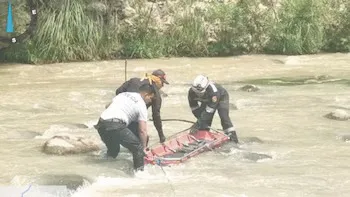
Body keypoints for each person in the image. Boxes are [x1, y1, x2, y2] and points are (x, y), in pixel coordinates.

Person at [95, 83, 156, 171]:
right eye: (151, 98)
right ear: (146, 95)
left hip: (101, 124)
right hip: (116, 125)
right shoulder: (141, 105)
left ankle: (102, 169)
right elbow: (142, 130)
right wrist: (143, 148)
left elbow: (107, 106)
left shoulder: (123, 94)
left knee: (113, 151)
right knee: (138, 149)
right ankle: (140, 175)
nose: (150, 101)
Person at [114, 69, 169, 143]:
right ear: (158, 79)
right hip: (131, 119)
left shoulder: (133, 80)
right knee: (143, 140)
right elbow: (156, 116)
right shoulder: (155, 94)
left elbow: (118, 91)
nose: (162, 86)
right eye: (162, 83)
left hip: (115, 115)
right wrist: (161, 136)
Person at [187, 75, 239, 143]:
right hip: (207, 101)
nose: (198, 95)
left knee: (224, 117)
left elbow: (209, 112)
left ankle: (233, 139)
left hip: (221, 97)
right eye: (196, 93)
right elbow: (194, 108)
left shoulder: (213, 92)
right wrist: (200, 123)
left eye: (200, 93)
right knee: (204, 121)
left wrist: (197, 124)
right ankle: (203, 137)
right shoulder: (191, 92)